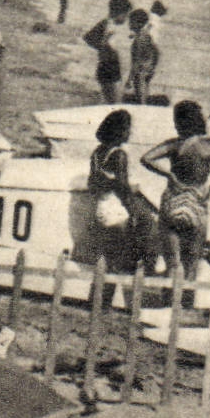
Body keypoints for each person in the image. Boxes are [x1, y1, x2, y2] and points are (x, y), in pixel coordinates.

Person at [141, 100, 210, 278]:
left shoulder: (174, 145)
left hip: (172, 202)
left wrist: (169, 175)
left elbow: (146, 158)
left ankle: (169, 302)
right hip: (196, 203)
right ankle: (185, 303)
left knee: (173, 263)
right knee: (191, 263)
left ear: (178, 123)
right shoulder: (209, 147)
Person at [88, 110, 152, 297]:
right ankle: (106, 301)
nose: (129, 133)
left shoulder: (97, 153)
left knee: (107, 258)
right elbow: (122, 187)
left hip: (102, 207)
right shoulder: (119, 155)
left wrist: (108, 181)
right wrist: (133, 212)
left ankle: (98, 299)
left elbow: (93, 183)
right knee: (117, 258)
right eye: (127, 129)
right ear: (119, 131)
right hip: (117, 210)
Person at [83, 0, 131, 104]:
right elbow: (88, 37)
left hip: (109, 64)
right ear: (118, 13)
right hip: (108, 65)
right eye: (125, 15)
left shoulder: (109, 24)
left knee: (109, 96)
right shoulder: (107, 25)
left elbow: (88, 38)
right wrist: (103, 45)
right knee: (112, 97)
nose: (126, 18)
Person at [125, 8, 160, 104]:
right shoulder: (145, 35)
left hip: (141, 72)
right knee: (143, 97)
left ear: (137, 23)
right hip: (146, 71)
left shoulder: (140, 38)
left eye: (131, 22)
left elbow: (136, 61)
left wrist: (129, 79)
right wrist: (151, 67)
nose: (129, 24)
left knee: (141, 99)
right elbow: (156, 52)